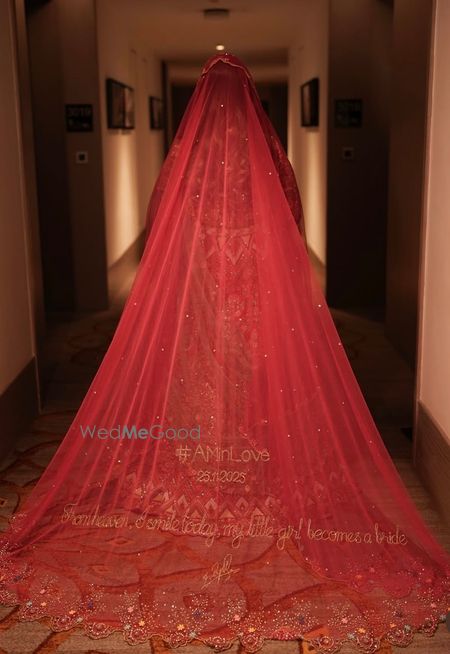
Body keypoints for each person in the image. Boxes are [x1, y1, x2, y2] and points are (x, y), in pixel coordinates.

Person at [0, 53, 449, 653]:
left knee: (202, 368)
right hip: (252, 282)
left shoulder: (187, 159)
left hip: (203, 280)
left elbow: (162, 217)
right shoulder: (269, 157)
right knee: (253, 373)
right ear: (250, 99)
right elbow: (290, 215)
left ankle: (198, 467)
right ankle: (253, 467)